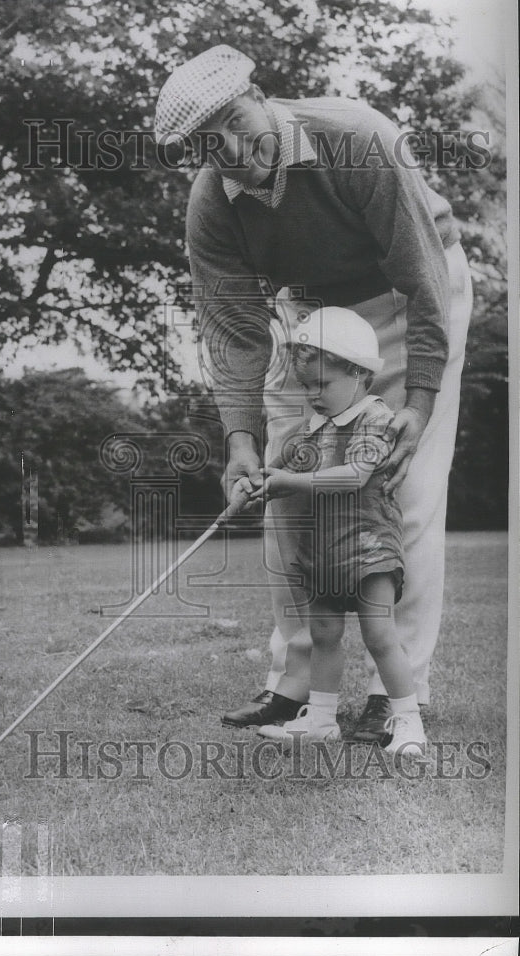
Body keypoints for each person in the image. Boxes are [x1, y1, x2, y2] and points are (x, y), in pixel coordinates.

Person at [154, 44, 473, 740]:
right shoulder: (211, 207)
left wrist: (416, 403)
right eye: (210, 144)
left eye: (238, 122)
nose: (234, 149)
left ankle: (398, 695)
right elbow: (235, 332)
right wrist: (239, 441)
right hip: (313, 318)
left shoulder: (358, 138)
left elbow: (424, 284)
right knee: (281, 486)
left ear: (261, 94)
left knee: (402, 486)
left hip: (406, 294)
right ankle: (296, 683)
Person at [246, 306, 426, 756]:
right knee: (324, 633)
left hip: (369, 550)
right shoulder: (312, 429)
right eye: (306, 386)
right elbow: (278, 468)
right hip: (324, 550)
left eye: (322, 384)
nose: (312, 395)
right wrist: (255, 481)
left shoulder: (376, 419)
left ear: (359, 373)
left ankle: (408, 722)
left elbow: (354, 476)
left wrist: (288, 483)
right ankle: (322, 720)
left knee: (380, 636)